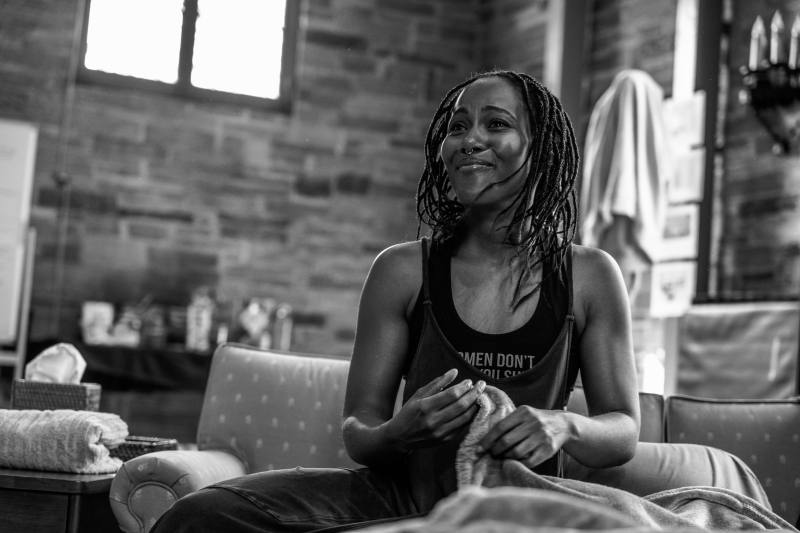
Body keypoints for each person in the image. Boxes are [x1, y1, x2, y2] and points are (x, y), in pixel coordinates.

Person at [151, 70, 640, 533]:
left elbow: (623, 431)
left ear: (543, 148)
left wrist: (564, 425)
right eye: (458, 126)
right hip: (399, 500)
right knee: (200, 515)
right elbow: (359, 427)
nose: (469, 140)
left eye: (496, 124)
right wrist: (398, 433)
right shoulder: (402, 271)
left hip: (523, 512)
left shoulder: (589, 276)